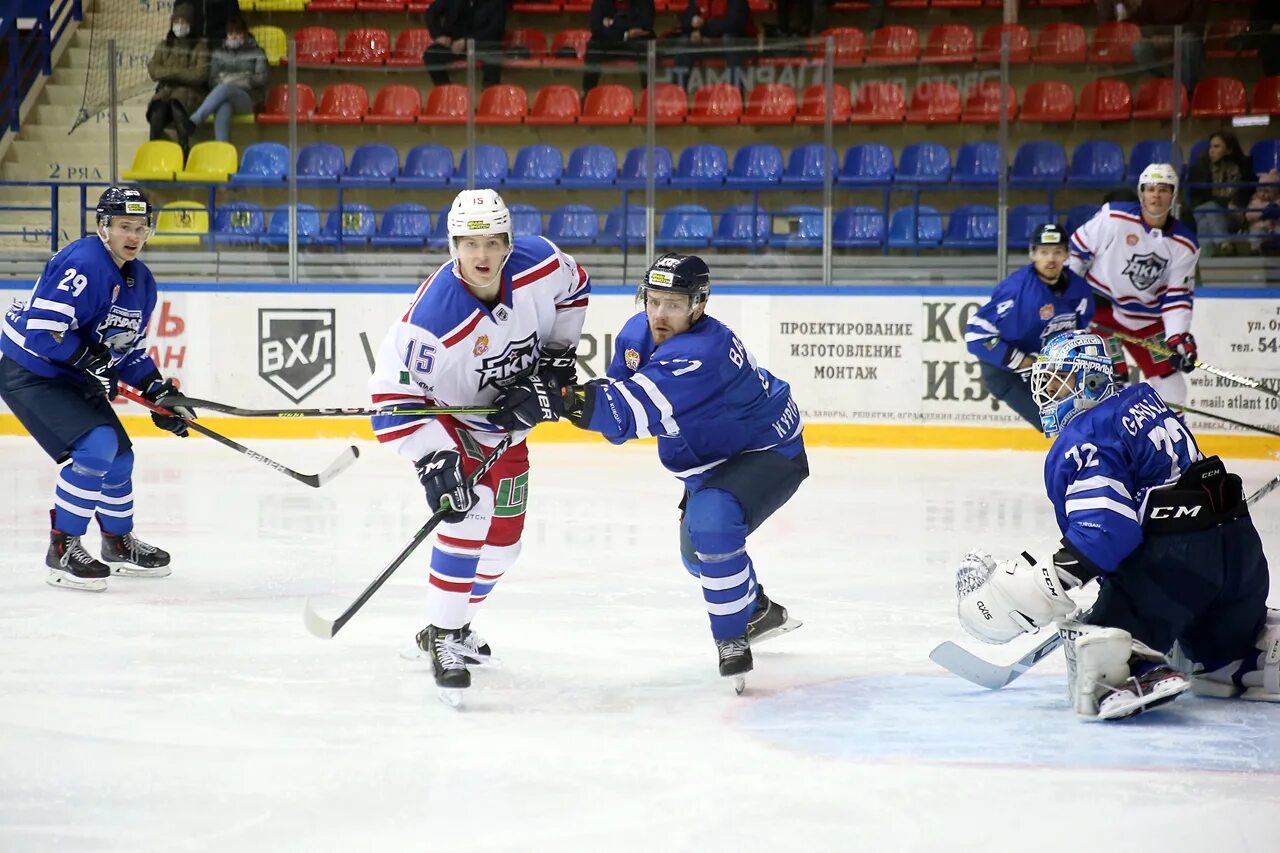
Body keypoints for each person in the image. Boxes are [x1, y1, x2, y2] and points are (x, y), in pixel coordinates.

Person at [487, 253, 806, 688]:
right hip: (711, 454)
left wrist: (560, 403)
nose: (659, 314)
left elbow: (627, 413)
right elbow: (619, 403)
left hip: (767, 449)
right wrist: (562, 396)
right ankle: (757, 609)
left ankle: (732, 638)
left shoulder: (704, 353)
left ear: (699, 305)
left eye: (673, 304)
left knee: (713, 525)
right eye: (653, 300)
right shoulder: (638, 333)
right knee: (697, 557)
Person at [955, 330, 1277, 720]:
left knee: (1105, 634)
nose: (1047, 392)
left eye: (1059, 380)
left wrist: (1041, 586)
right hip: (1242, 558)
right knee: (1219, 650)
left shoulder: (1087, 436)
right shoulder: (1146, 400)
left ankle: (1137, 672)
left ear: (1090, 381)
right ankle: (1250, 659)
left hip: (1177, 568)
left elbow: (1106, 533)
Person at [367, 189, 590, 705]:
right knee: (470, 512)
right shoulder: (431, 321)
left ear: (509, 241)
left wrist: (555, 360)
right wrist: (432, 457)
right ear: (453, 245)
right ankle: (442, 638)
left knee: (505, 547)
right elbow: (388, 402)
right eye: (470, 244)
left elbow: (577, 286)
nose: (482, 256)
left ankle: (452, 626)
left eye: (492, 242)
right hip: (450, 420)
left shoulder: (540, 264)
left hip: (506, 428)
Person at [0, 187, 193, 593]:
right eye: (124, 226)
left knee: (120, 458)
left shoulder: (142, 282)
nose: (134, 236)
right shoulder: (85, 260)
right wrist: (91, 360)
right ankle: (64, 547)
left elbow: (126, 351)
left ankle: (117, 543)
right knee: (96, 447)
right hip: (29, 369)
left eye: (141, 228)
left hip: (68, 373)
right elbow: (43, 333)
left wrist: (158, 392)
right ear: (103, 227)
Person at [1068, 163, 1200, 405]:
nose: (1156, 195)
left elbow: (1177, 297)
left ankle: (1172, 441)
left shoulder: (1185, 244)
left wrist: (1178, 338)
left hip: (1146, 320)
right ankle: (1115, 440)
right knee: (1111, 386)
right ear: (1141, 193)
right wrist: (1072, 300)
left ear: (1173, 195)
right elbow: (1076, 253)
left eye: (1163, 189)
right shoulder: (1113, 218)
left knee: (1173, 388)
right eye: (1150, 189)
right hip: (1101, 313)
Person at [966, 223, 1095, 430]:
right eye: (1044, 252)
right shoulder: (1015, 290)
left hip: (1048, 369)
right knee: (1058, 422)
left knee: (1087, 414)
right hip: (1006, 372)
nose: (1050, 259)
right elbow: (976, 335)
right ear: (1033, 255)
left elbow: (1079, 334)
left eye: (1057, 252)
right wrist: (1024, 362)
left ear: (1066, 255)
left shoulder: (1080, 291)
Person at [185, 17, 267, 143]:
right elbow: (212, 80)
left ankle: (195, 120)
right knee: (224, 105)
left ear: (245, 33)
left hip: (250, 100)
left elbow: (261, 79)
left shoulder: (257, 52)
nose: (234, 37)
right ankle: (223, 150)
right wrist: (243, 77)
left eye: (238, 33)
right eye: (231, 33)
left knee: (226, 88)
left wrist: (230, 80)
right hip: (225, 95)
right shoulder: (219, 53)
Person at [145, 3, 209, 155]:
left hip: (192, 94)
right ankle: (153, 150)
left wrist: (171, 74)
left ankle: (184, 150)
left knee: (177, 104)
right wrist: (179, 73)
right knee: (157, 107)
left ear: (191, 25)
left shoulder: (200, 47)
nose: (180, 26)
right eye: (177, 22)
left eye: (184, 22)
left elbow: (199, 75)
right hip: (166, 91)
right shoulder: (164, 45)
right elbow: (154, 70)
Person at [1186, 131, 1255, 256]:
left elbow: (1248, 194)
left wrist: (1240, 208)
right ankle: (1224, 244)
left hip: (1233, 216)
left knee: (1205, 222)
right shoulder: (1201, 168)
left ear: (1229, 150)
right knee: (1209, 208)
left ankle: (1204, 260)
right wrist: (1225, 203)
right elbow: (1200, 199)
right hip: (1206, 210)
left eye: (1217, 147)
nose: (1211, 150)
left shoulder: (1243, 169)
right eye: (1210, 146)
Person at [672, 0, 756, 93]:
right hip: (706, 42)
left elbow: (734, 24)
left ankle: (735, 94)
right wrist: (692, 21)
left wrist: (703, 31)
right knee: (685, 41)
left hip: (738, 43)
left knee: (729, 39)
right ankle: (677, 94)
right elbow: (686, 19)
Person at [423, 0, 508, 88]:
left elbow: (496, 29)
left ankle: (489, 94)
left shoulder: (497, 2)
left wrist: (467, 41)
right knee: (431, 54)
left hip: (481, 43)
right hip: (454, 43)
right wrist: (438, 35)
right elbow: (431, 12)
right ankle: (446, 90)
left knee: (494, 55)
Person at [582, 0, 656, 95]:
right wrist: (625, 34)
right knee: (593, 48)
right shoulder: (600, 2)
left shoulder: (645, 2)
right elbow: (596, 28)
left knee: (648, 48)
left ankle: (649, 97)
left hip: (636, 43)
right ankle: (587, 97)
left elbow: (646, 24)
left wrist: (613, 23)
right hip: (609, 43)